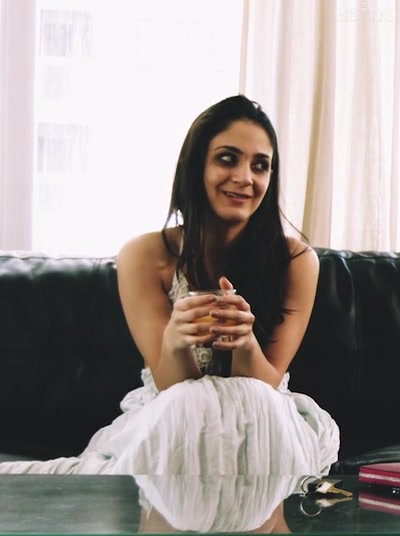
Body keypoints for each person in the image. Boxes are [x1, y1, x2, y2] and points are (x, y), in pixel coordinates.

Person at [0, 95, 339, 475]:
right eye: (227, 158)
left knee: (256, 402)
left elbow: (267, 383)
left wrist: (244, 343)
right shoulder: (144, 255)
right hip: (174, 413)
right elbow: (170, 386)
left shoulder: (296, 261)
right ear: (196, 167)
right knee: (187, 404)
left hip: (263, 419)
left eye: (260, 165)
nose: (245, 178)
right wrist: (176, 340)